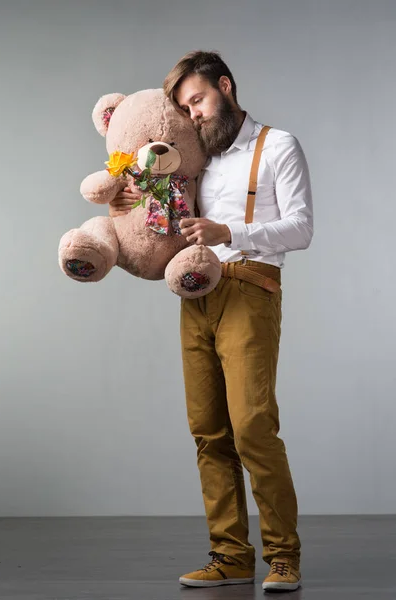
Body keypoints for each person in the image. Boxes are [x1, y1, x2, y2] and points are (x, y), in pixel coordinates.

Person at [110, 51, 313, 592]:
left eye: (197, 99)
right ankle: (230, 556)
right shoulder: (194, 156)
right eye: (184, 106)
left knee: (252, 427)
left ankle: (283, 556)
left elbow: (301, 228)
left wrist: (231, 233)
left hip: (250, 287)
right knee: (208, 430)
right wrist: (136, 196)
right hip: (195, 291)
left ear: (225, 85)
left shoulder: (279, 146)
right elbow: (170, 217)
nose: (192, 114)